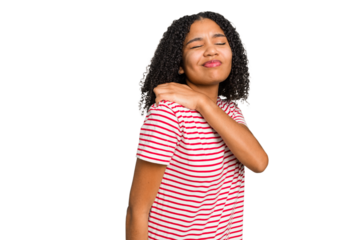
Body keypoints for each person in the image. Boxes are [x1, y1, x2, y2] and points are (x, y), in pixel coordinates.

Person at [127, 9, 268, 240]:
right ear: (179, 64)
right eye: (195, 46)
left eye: (220, 42)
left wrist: (203, 103)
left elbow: (259, 163)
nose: (211, 50)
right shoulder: (168, 114)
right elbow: (137, 211)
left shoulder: (230, 110)